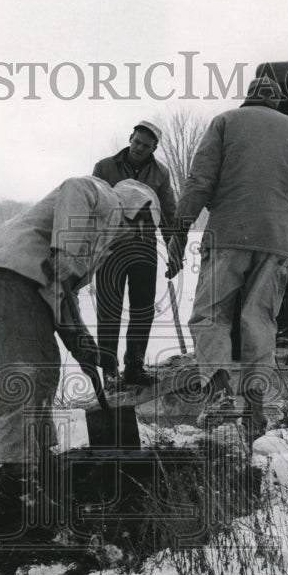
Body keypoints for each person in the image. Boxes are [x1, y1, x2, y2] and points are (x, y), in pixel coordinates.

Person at [0, 176, 161, 506]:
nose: (141, 240)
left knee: (43, 368)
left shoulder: (100, 240)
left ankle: (38, 457)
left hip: (18, 276)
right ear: (138, 212)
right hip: (13, 273)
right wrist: (64, 251)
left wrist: (84, 346)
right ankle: (16, 478)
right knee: (27, 371)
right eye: (144, 230)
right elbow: (75, 187)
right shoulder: (104, 198)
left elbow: (63, 294)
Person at [167, 76, 288, 436]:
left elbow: (199, 181)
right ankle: (255, 407)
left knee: (210, 313)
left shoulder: (225, 122)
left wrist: (180, 229)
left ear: (249, 98)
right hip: (276, 241)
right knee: (260, 320)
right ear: (278, 102)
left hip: (227, 236)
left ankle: (219, 392)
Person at [92, 120, 177, 387]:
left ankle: (134, 367)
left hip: (144, 247)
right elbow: (92, 205)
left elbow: (169, 214)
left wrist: (175, 251)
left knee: (142, 309)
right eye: (137, 142)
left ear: (154, 148)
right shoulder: (104, 167)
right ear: (131, 137)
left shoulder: (161, 173)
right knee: (109, 309)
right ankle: (108, 371)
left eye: (146, 145)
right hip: (111, 247)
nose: (139, 148)